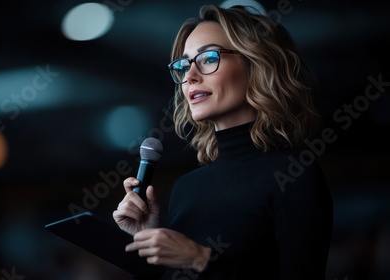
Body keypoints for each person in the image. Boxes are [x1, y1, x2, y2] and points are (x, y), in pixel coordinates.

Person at [113, 4, 333, 279]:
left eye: (207, 58)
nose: (190, 77)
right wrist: (148, 241)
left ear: (256, 65)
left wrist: (201, 259)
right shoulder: (186, 188)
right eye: (183, 66)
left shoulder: (294, 175)